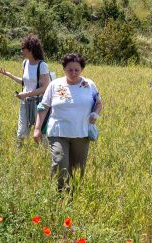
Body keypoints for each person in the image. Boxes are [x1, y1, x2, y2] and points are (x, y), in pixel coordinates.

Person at [33, 53, 102, 193]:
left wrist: (95, 113)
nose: (74, 73)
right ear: (64, 69)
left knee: (77, 169)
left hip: (81, 133)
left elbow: (99, 102)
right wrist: (37, 128)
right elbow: (43, 106)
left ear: (81, 69)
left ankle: (73, 198)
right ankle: (59, 196)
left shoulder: (89, 85)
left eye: (77, 70)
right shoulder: (54, 84)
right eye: (70, 70)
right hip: (58, 132)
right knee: (60, 164)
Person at [0, 35, 50, 147]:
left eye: (23, 48)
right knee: (21, 131)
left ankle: (42, 154)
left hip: (39, 103)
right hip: (25, 102)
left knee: (40, 132)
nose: (22, 51)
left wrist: (26, 94)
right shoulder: (25, 63)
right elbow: (25, 82)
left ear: (31, 49)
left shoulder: (42, 65)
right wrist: (9, 75)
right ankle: (18, 152)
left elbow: (45, 87)